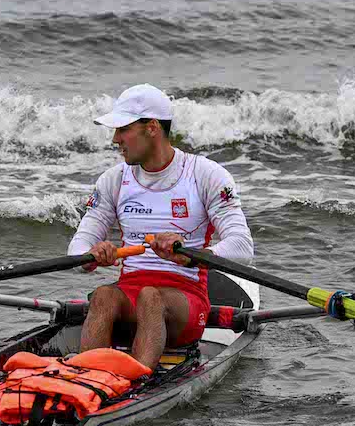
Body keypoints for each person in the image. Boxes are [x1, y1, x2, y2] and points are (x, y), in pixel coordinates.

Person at [68, 83, 255, 370]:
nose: (115, 139)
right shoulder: (114, 180)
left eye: (123, 129)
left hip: (186, 303)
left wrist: (190, 256)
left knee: (150, 297)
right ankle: (87, 376)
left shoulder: (205, 175)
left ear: (152, 127)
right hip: (130, 294)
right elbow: (76, 251)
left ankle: (139, 378)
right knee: (103, 295)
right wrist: (92, 256)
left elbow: (242, 247)